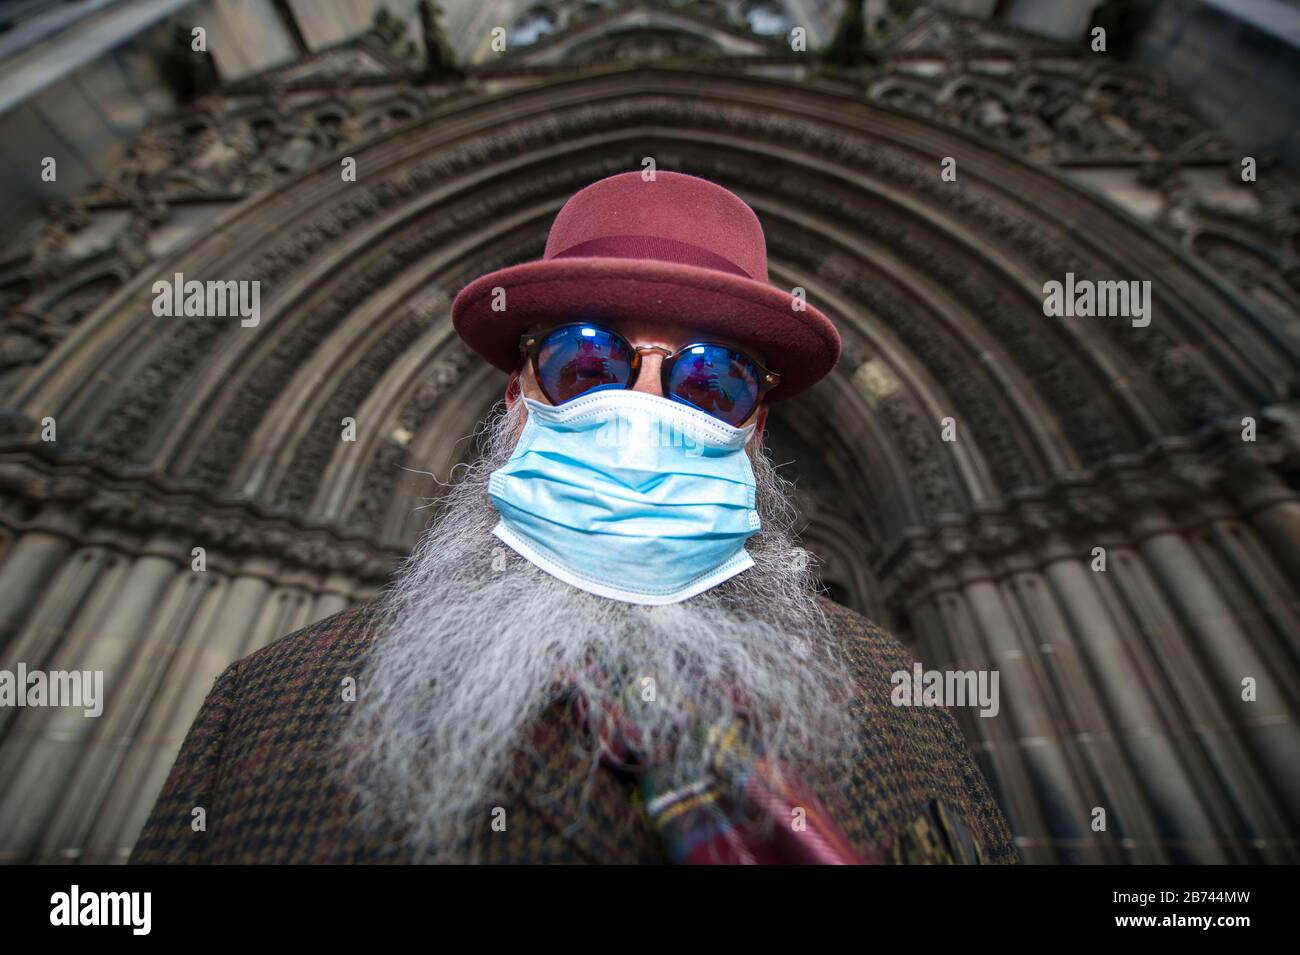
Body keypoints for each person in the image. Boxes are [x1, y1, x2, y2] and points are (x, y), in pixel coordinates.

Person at [131, 171, 1018, 864]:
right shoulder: (269, 699)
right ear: (518, 397)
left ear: (754, 424)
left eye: (711, 379)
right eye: (583, 362)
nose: (639, 406)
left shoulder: (887, 687)